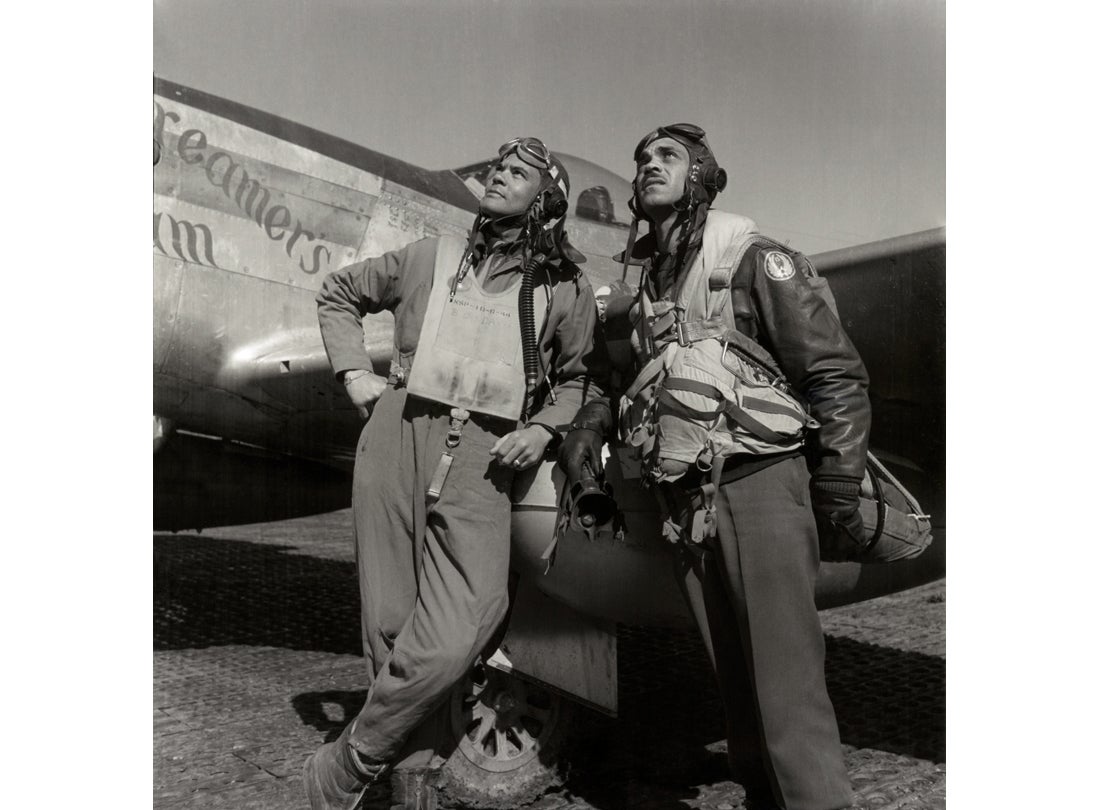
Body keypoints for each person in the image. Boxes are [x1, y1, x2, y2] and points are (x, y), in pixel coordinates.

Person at [559, 124, 871, 810]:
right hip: (684, 503)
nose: (648, 165)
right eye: (642, 159)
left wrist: (839, 480)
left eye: (668, 156)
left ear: (701, 176)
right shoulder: (648, 285)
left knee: (787, 691)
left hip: (760, 483)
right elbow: (626, 381)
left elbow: (834, 372)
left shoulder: (755, 260)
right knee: (737, 691)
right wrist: (590, 423)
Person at [305, 137, 604, 810]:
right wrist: (353, 371)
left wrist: (541, 429)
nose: (499, 177)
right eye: (498, 168)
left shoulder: (565, 287)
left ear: (546, 201)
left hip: (486, 458)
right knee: (389, 624)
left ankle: (353, 758)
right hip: (396, 436)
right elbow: (339, 292)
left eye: (518, 173)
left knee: (466, 619)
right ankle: (413, 784)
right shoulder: (430, 257)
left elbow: (579, 379)